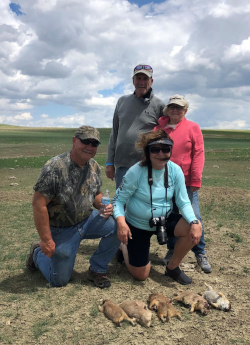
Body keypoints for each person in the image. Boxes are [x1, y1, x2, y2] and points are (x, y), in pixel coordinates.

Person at [26, 125, 120, 288]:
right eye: (86, 141)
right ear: (74, 141)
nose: (90, 147)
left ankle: (97, 268)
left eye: (94, 144)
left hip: (87, 220)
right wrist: (46, 239)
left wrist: (103, 206)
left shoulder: (94, 166)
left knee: (117, 225)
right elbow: (38, 204)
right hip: (61, 229)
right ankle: (36, 253)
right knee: (59, 280)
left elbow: (95, 194)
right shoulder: (55, 167)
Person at [112, 130, 202, 285]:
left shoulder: (175, 170)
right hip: (137, 224)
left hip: (164, 220)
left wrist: (194, 222)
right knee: (141, 275)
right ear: (147, 152)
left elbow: (183, 201)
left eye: (166, 149)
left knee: (193, 227)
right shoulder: (136, 171)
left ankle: (172, 268)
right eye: (155, 149)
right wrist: (121, 223)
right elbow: (118, 200)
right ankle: (123, 247)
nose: (161, 154)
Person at [153, 95, 211, 273]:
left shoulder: (193, 127)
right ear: (167, 109)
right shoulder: (159, 128)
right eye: (172, 107)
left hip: (186, 181)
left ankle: (200, 252)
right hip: (164, 182)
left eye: (179, 107)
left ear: (185, 110)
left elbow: (198, 154)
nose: (175, 110)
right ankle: (172, 249)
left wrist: (195, 179)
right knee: (171, 216)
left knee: (194, 216)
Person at [106, 63, 165, 189]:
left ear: (152, 81)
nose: (141, 82)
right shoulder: (122, 101)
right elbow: (115, 133)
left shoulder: (159, 105)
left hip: (147, 165)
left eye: (145, 79)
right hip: (123, 165)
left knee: (145, 204)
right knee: (122, 203)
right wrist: (110, 162)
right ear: (133, 80)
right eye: (138, 78)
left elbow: (166, 135)